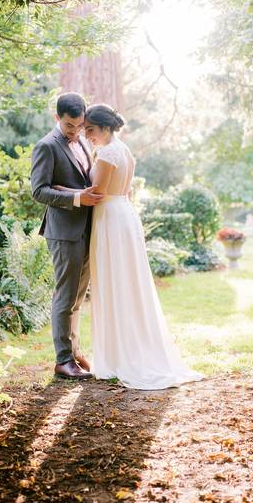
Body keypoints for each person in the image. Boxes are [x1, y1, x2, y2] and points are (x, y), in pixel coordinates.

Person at [81, 103, 204, 390]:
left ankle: (120, 355)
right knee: (128, 281)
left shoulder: (108, 153)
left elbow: (96, 192)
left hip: (110, 217)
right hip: (124, 214)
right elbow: (125, 189)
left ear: (104, 128)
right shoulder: (125, 151)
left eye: (91, 130)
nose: (87, 135)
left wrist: (67, 191)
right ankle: (124, 348)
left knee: (115, 282)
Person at [30, 92, 102, 380]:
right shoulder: (46, 146)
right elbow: (39, 190)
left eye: (79, 125)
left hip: (85, 228)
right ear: (56, 117)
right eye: (69, 125)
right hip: (63, 232)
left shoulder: (83, 140)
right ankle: (62, 360)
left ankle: (74, 352)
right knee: (65, 295)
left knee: (77, 297)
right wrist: (76, 199)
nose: (75, 131)